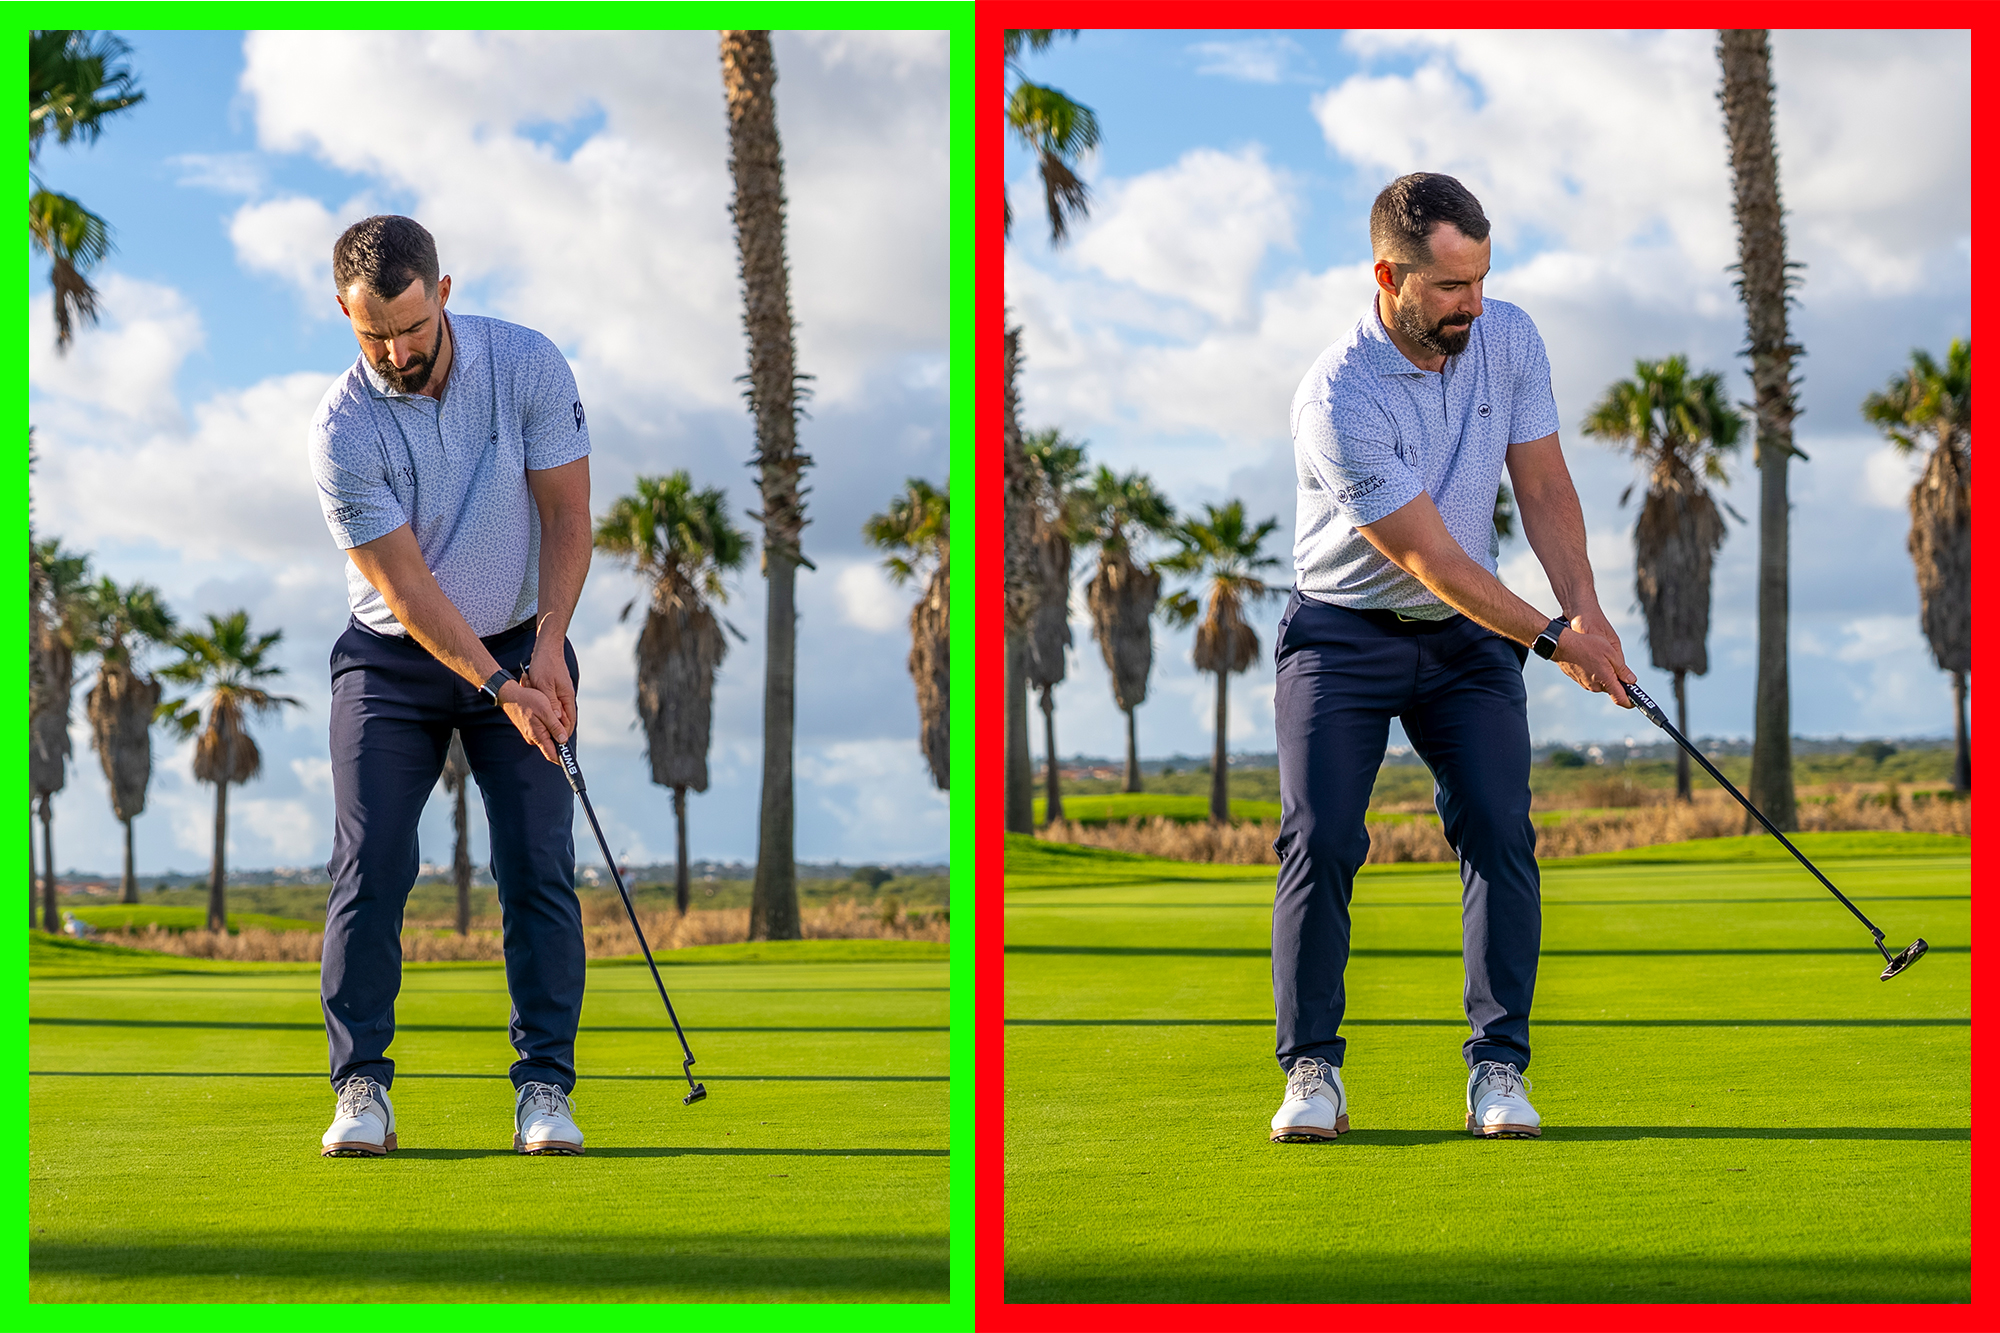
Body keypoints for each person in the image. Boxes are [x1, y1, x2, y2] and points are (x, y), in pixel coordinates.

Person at [1270, 173, 1636, 1143]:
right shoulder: (1336, 395)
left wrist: (1585, 611)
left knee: (1498, 833)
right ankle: (1312, 1069)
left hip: (1470, 642)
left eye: (1478, 281)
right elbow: (1428, 557)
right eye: (1445, 288)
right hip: (1342, 634)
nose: (1469, 305)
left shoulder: (1506, 337)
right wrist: (1553, 640)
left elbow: (1544, 482)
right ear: (1386, 275)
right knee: (1322, 841)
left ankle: (1498, 1072)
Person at [307, 214, 596, 1157]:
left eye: (409, 328)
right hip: (393, 658)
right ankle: (361, 1089)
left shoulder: (529, 366)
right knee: (374, 863)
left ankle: (545, 1087)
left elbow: (566, 515)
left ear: (442, 290)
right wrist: (494, 683)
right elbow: (406, 586)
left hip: (523, 638)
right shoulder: (341, 427)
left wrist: (548, 651)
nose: (393, 351)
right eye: (370, 335)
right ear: (344, 316)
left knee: (537, 865)